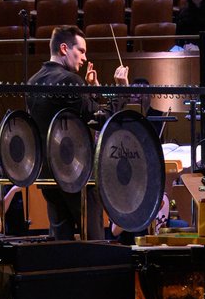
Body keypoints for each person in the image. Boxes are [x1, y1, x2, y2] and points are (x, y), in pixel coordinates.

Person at [25, 25, 128, 240]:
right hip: (76, 175)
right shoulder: (70, 80)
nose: (84, 57)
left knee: (61, 244)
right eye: (80, 51)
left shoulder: (33, 81)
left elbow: (78, 114)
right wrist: (121, 90)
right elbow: (102, 120)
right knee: (94, 242)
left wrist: (91, 91)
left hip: (48, 176)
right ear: (64, 48)